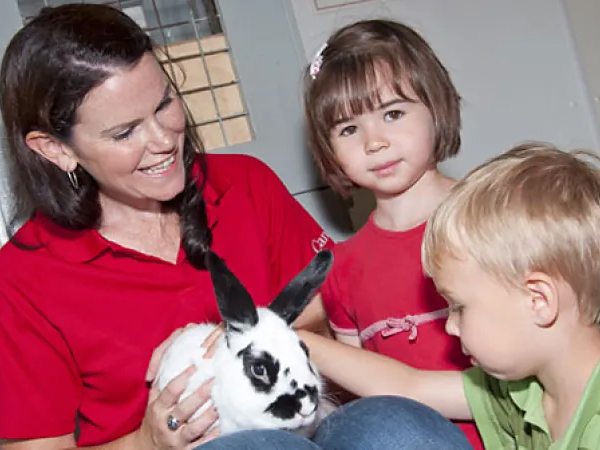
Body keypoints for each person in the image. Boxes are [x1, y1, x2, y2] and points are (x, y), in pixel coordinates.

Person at [0, 4, 340, 448]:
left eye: (164, 104)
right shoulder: (22, 281)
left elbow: (334, 317)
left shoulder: (245, 183)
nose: (164, 141)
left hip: (309, 421)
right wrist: (147, 442)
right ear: (56, 150)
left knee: (393, 426)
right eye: (125, 133)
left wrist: (250, 337)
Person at [299, 142, 600, 449]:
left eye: (459, 307)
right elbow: (409, 386)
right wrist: (293, 340)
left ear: (539, 300)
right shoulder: (522, 390)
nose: (450, 325)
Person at [303, 19, 482, 447]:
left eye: (393, 113)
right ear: (328, 150)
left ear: (437, 109)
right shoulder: (342, 269)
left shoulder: (493, 215)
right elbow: (364, 401)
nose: (374, 141)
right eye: (348, 129)